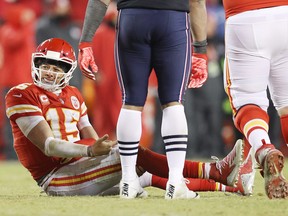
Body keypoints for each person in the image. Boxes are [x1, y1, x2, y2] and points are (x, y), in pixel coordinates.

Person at [6, 38, 250, 197]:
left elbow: (88, 132)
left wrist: (100, 146)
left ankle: (229, 185)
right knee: (131, 156)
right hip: (56, 177)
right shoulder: (20, 94)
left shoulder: (73, 93)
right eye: (45, 65)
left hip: (78, 166)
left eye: (56, 67)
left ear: (68, 71)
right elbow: (48, 146)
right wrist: (92, 153)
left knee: (141, 173)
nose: (49, 71)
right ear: (35, 64)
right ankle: (214, 171)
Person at [77, 0, 208, 199]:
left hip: (132, 18)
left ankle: (128, 182)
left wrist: (86, 41)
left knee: (131, 102)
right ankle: (175, 182)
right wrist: (201, 49)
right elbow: (197, 2)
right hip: (173, 21)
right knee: (173, 101)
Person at [222, 0, 288, 199]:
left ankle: (263, 149)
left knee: (248, 102)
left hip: (244, 17)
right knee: (286, 105)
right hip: (284, 14)